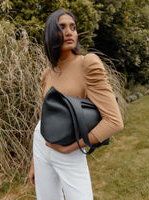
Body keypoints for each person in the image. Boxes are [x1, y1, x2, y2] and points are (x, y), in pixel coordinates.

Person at [28, 9, 124, 200]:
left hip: (69, 147)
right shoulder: (47, 72)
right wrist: (34, 162)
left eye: (73, 27)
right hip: (41, 142)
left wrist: (71, 148)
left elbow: (114, 122)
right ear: (50, 33)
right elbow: (45, 115)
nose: (69, 32)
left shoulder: (87, 64)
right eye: (62, 27)